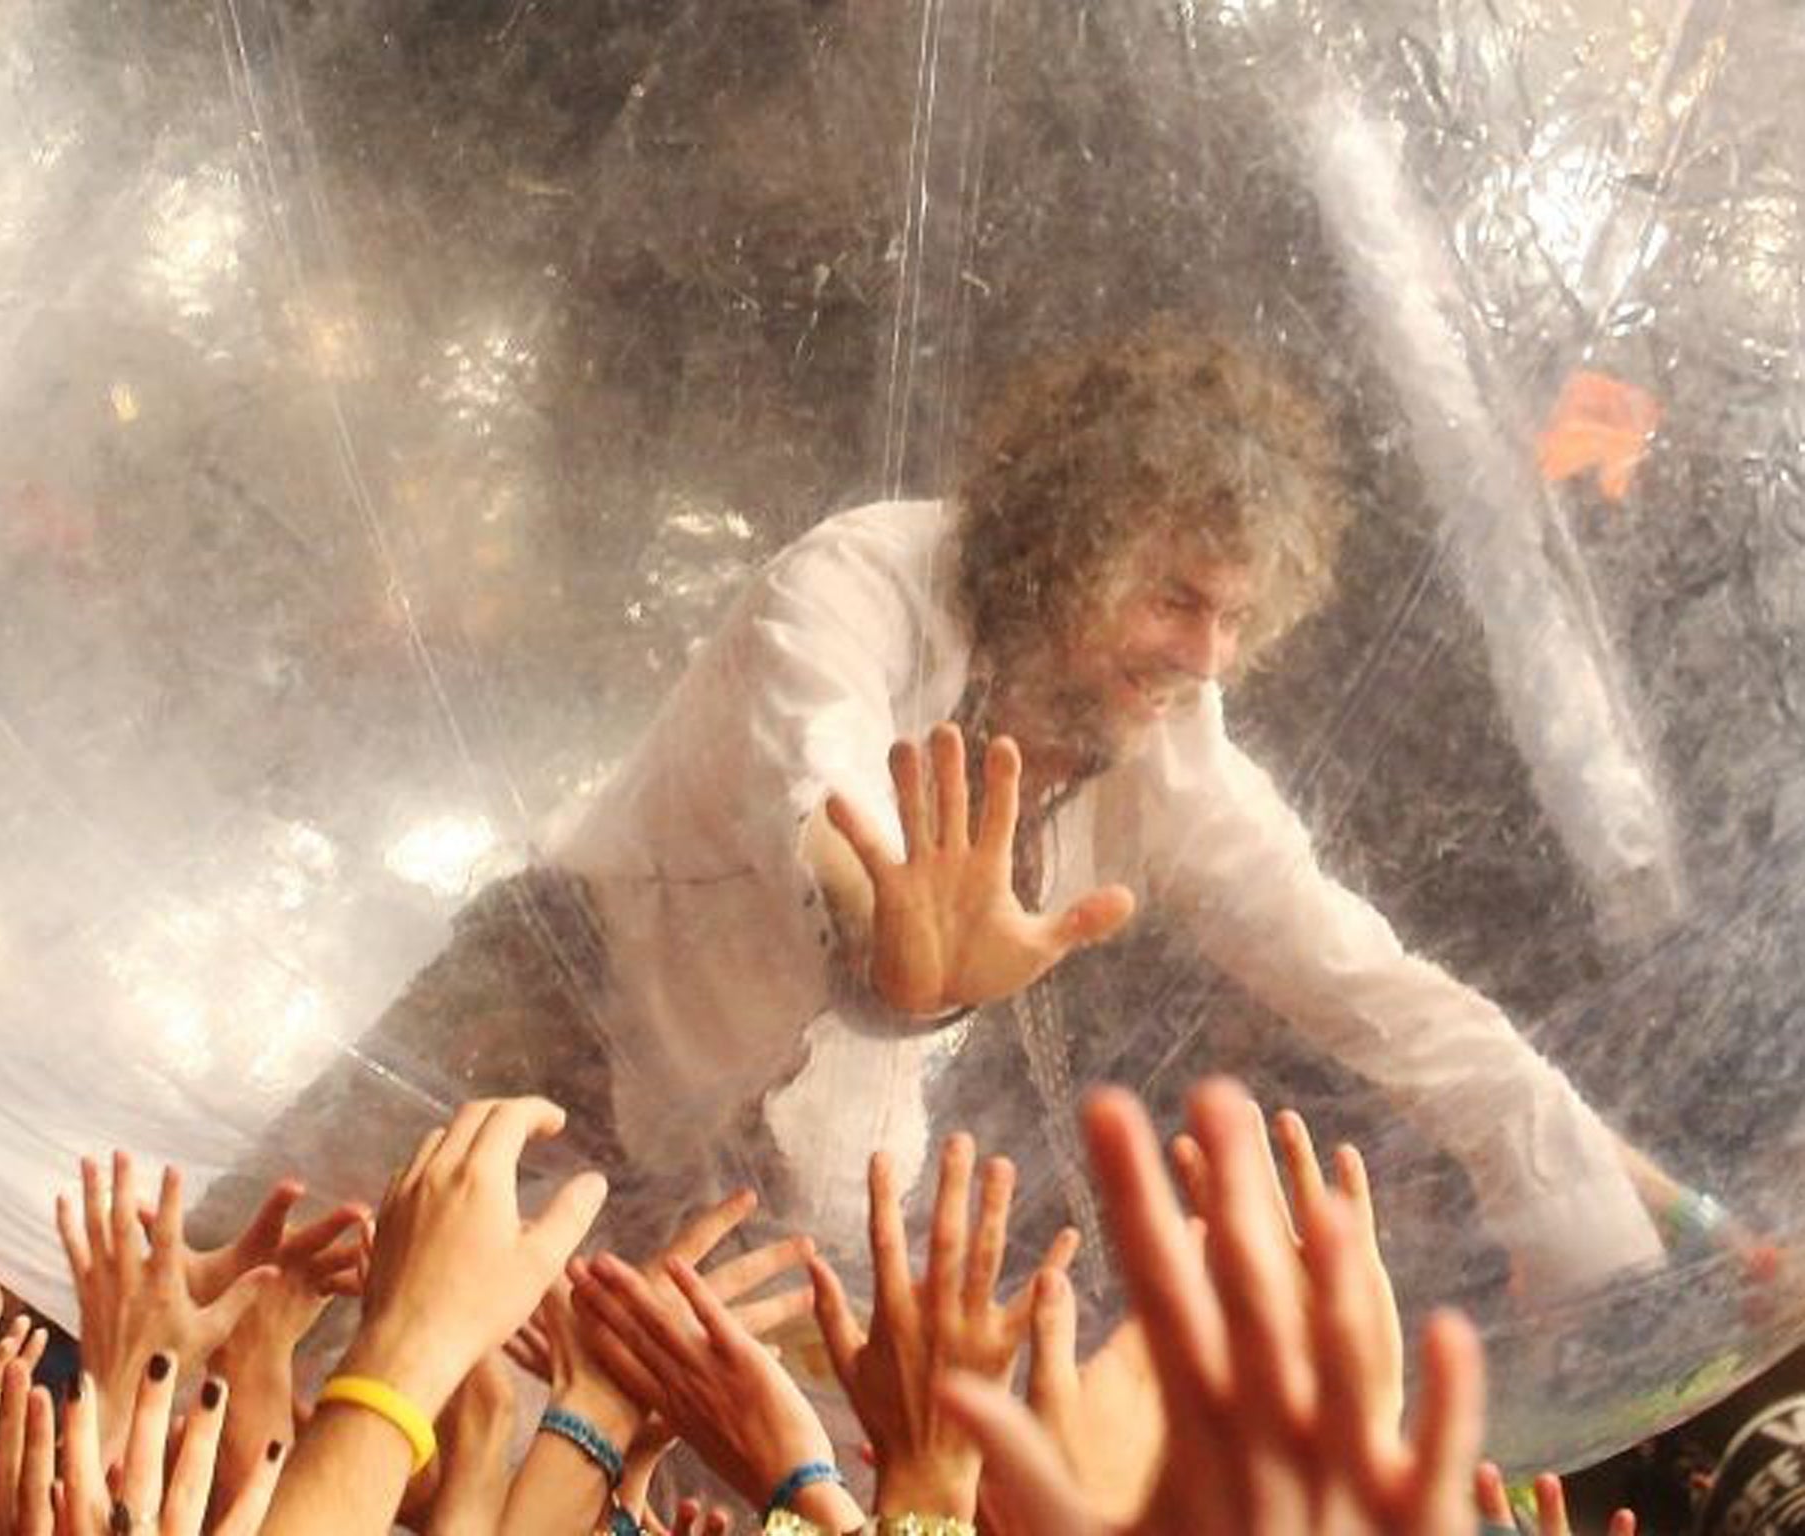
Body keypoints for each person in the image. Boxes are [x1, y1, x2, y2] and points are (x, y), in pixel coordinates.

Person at [205, 318, 1675, 1294]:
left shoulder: (1177, 761)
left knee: (595, 1475)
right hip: (538, 1021)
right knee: (230, 1315)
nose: (1204, 659)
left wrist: (1582, 1199)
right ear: (1067, 540)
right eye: (1173, 598)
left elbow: (1371, 985)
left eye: (1238, 619)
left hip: (765, 1177)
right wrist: (899, 952)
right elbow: (821, 784)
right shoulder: (861, 581)